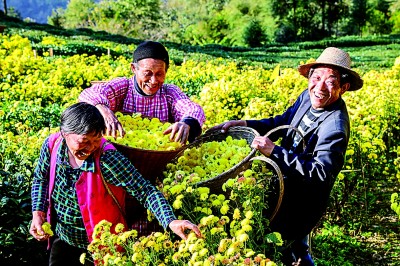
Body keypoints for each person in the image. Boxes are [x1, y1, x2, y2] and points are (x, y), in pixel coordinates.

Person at [209, 47, 363, 265]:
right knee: (292, 248)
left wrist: (275, 151)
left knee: (285, 247)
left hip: (302, 200)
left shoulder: (335, 126)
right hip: (286, 185)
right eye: (316, 77)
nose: (319, 87)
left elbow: (320, 173)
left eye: (330, 81)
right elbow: (282, 122)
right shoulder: (307, 98)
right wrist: (244, 123)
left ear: (344, 87)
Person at [29, 102, 202, 266]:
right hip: (63, 238)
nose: (90, 148)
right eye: (84, 142)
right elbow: (41, 179)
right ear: (64, 133)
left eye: (96, 140)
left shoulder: (107, 159)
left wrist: (170, 221)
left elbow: (145, 191)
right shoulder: (52, 145)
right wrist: (38, 213)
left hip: (102, 246)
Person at [79, 40, 205, 144]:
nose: (154, 80)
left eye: (160, 74)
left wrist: (187, 123)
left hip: (157, 155)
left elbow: (193, 109)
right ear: (134, 68)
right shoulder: (123, 86)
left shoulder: (169, 92)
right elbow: (90, 93)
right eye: (147, 73)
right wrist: (104, 109)